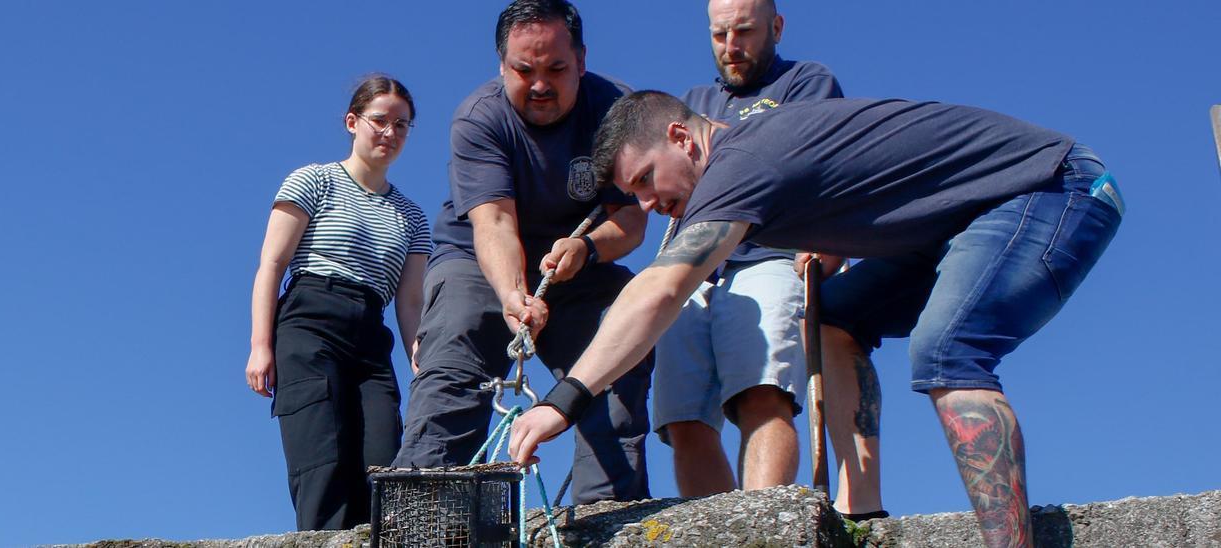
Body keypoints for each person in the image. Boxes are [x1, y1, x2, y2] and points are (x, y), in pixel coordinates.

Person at [511, 91, 1123, 547]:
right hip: (954, 227)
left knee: (947, 350)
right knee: (833, 319)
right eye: (634, 194)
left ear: (683, 137)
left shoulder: (742, 160)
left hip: (1050, 188)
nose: (648, 204)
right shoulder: (743, 159)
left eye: (646, 180)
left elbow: (663, 289)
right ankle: (864, 515)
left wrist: (563, 400)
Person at [391, 0, 653, 504]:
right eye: (523, 70)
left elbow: (632, 220)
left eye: (556, 69)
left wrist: (586, 247)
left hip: (582, 265)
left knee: (620, 347)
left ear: (581, 60)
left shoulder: (619, 111)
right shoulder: (480, 117)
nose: (539, 85)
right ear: (501, 66)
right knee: (454, 348)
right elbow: (492, 222)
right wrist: (514, 295)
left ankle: (608, 513)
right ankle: (422, 514)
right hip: (478, 261)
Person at [655, 0, 871, 513]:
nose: (731, 47)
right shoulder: (692, 100)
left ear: (776, 27)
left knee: (762, 393)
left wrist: (834, 243)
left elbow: (826, 166)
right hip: (696, 266)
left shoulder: (807, 82)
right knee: (682, 418)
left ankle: (761, 529)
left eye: (745, 32)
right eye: (719, 35)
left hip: (771, 255)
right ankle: (714, 535)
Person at [244, 75, 431, 531]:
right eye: (380, 121)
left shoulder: (413, 217)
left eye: (402, 125)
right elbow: (271, 263)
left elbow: (410, 305)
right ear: (353, 122)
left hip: (371, 336)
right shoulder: (314, 180)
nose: (390, 133)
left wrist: (423, 365)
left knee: (384, 465)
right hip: (310, 322)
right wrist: (260, 345)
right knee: (322, 462)